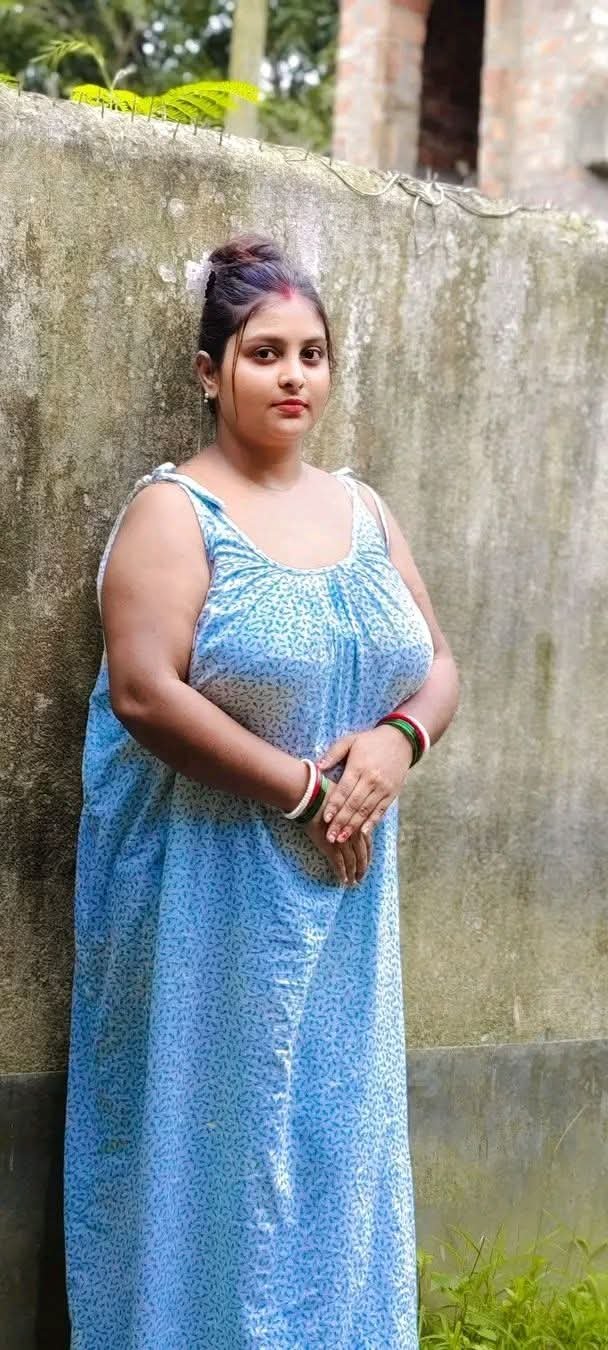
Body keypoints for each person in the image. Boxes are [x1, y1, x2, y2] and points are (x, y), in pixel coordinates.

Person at [63, 232, 459, 1348]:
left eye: (312, 353)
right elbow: (144, 693)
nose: (293, 375)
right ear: (209, 372)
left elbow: (437, 662)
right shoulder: (174, 514)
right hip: (203, 895)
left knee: (332, 1143)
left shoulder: (363, 510)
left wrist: (397, 741)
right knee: (212, 1149)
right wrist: (304, 793)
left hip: (342, 902)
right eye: (263, 352)